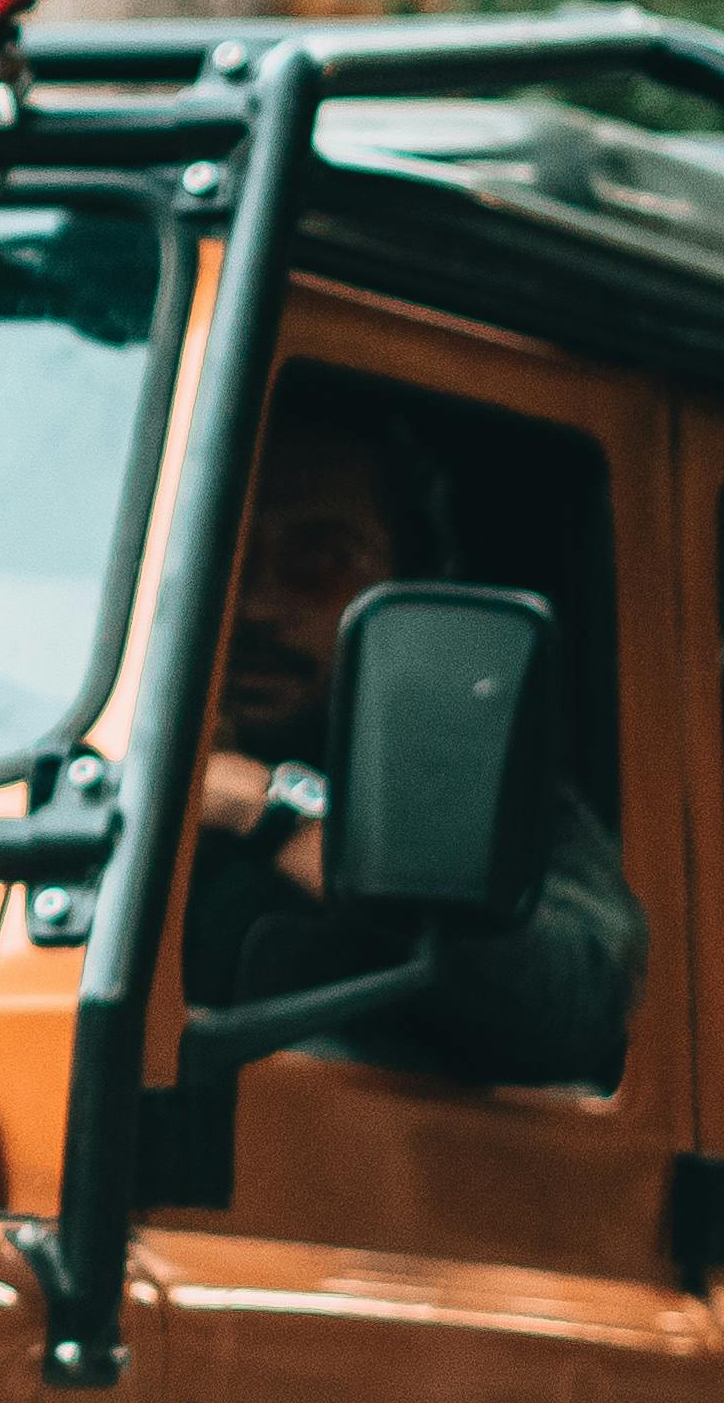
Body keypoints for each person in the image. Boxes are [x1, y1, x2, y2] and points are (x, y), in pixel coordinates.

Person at [183, 390, 646, 1088]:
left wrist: (276, 814)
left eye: (322, 559)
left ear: (408, 588)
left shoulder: (469, 783)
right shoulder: (91, 752)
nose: (257, 606)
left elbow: (577, 1003)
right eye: (228, 549)